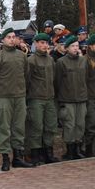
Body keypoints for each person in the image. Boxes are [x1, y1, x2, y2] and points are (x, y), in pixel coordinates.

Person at [0, 28, 34, 171]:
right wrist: (2, 89)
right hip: (4, 98)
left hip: (20, 96)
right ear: (3, 40)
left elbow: (26, 75)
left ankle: (18, 158)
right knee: (4, 129)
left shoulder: (22, 56)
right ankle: (6, 158)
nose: (12, 39)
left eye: (14, 37)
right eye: (8, 37)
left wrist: (21, 89)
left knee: (19, 127)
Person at [26, 33, 59, 165]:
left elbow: (54, 78)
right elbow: (27, 80)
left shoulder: (50, 60)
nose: (45, 45)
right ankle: (35, 154)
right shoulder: (31, 60)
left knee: (50, 126)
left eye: (46, 43)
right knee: (36, 126)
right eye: (42, 43)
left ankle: (48, 153)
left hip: (49, 98)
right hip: (36, 98)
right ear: (36, 44)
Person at [56, 36, 88, 160]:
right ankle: (69, 150)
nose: (75, 48)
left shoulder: (83, 61)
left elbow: (86, 79)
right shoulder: (61, 62)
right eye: (73, 46)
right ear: (67, 48)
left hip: (81, 98)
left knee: (80, 124)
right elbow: (58, 81)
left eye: (77, 46)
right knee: (69, 125)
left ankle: (78, 148)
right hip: (67, 98)